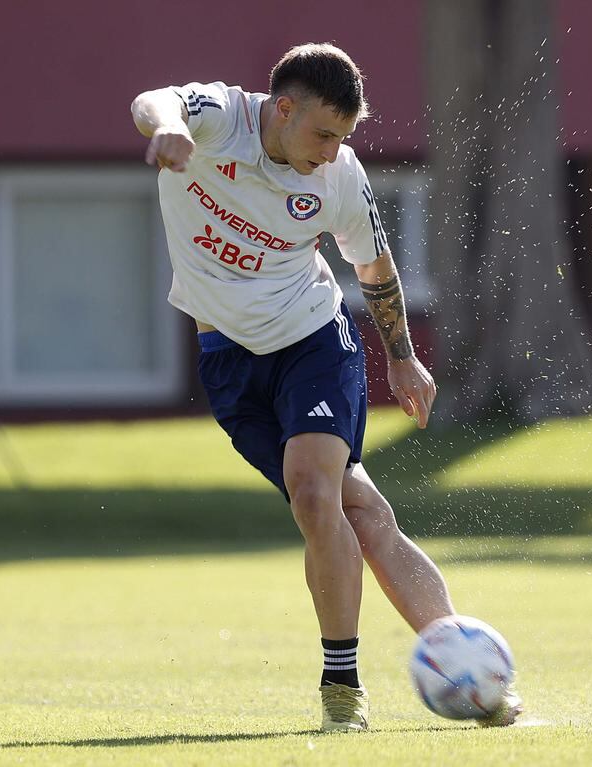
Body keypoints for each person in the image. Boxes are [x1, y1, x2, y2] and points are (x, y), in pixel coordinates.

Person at [131, 42, 521, 732]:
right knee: (359, 509)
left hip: (312, 341)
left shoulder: (338, 174)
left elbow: (373, 264)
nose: (333, 149)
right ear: (282, 109)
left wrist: (402, 356)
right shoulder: (219, 117)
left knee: (314, 490)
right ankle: (470, 665)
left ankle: (342, 685)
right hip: (227, 358)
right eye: (322, 133)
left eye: (345, 136)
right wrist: (165, 130)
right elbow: (156, 101)